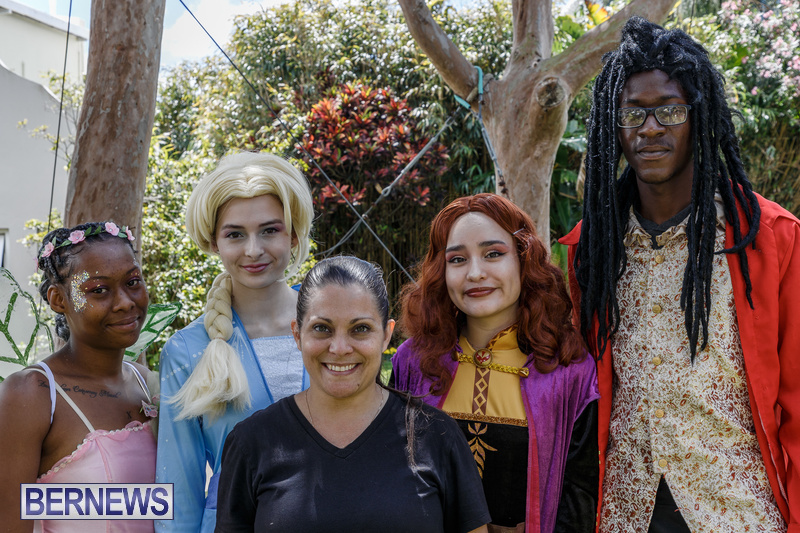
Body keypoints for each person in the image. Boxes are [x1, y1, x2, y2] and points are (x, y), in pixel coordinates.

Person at [560, 16, 800, 533]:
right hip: (624, 516)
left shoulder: (769, 239)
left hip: (737, 514)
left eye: (669, 110)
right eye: (632, 114)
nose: (649, 129)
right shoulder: (591, 250)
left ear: (699, 115)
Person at [215, 256, 491, 533]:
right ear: (297, 334)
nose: (339, 348)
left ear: (386, 335)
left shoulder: (438, 437)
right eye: (322, 328)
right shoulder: (251, 443)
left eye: (360, 329)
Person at [393, 193, 599, 533]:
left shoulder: (570, 371)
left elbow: (581, 497)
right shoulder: (412, 363)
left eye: (493, 254)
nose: (475, 273)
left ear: (524, 259)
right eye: (457, 259)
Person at [156, 152, 315, 533]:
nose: (253, 250)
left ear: (293, 235)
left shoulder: (335, 329)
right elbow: (179, 492)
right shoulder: (186, 350)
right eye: (235, 234)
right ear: (214, 241)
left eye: (270, 231)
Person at [0, 221, 157, 533]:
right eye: (99, 290)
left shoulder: (147, 384)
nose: (126, 302)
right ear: (58, 299)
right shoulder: (33, 394)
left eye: (133, 282)